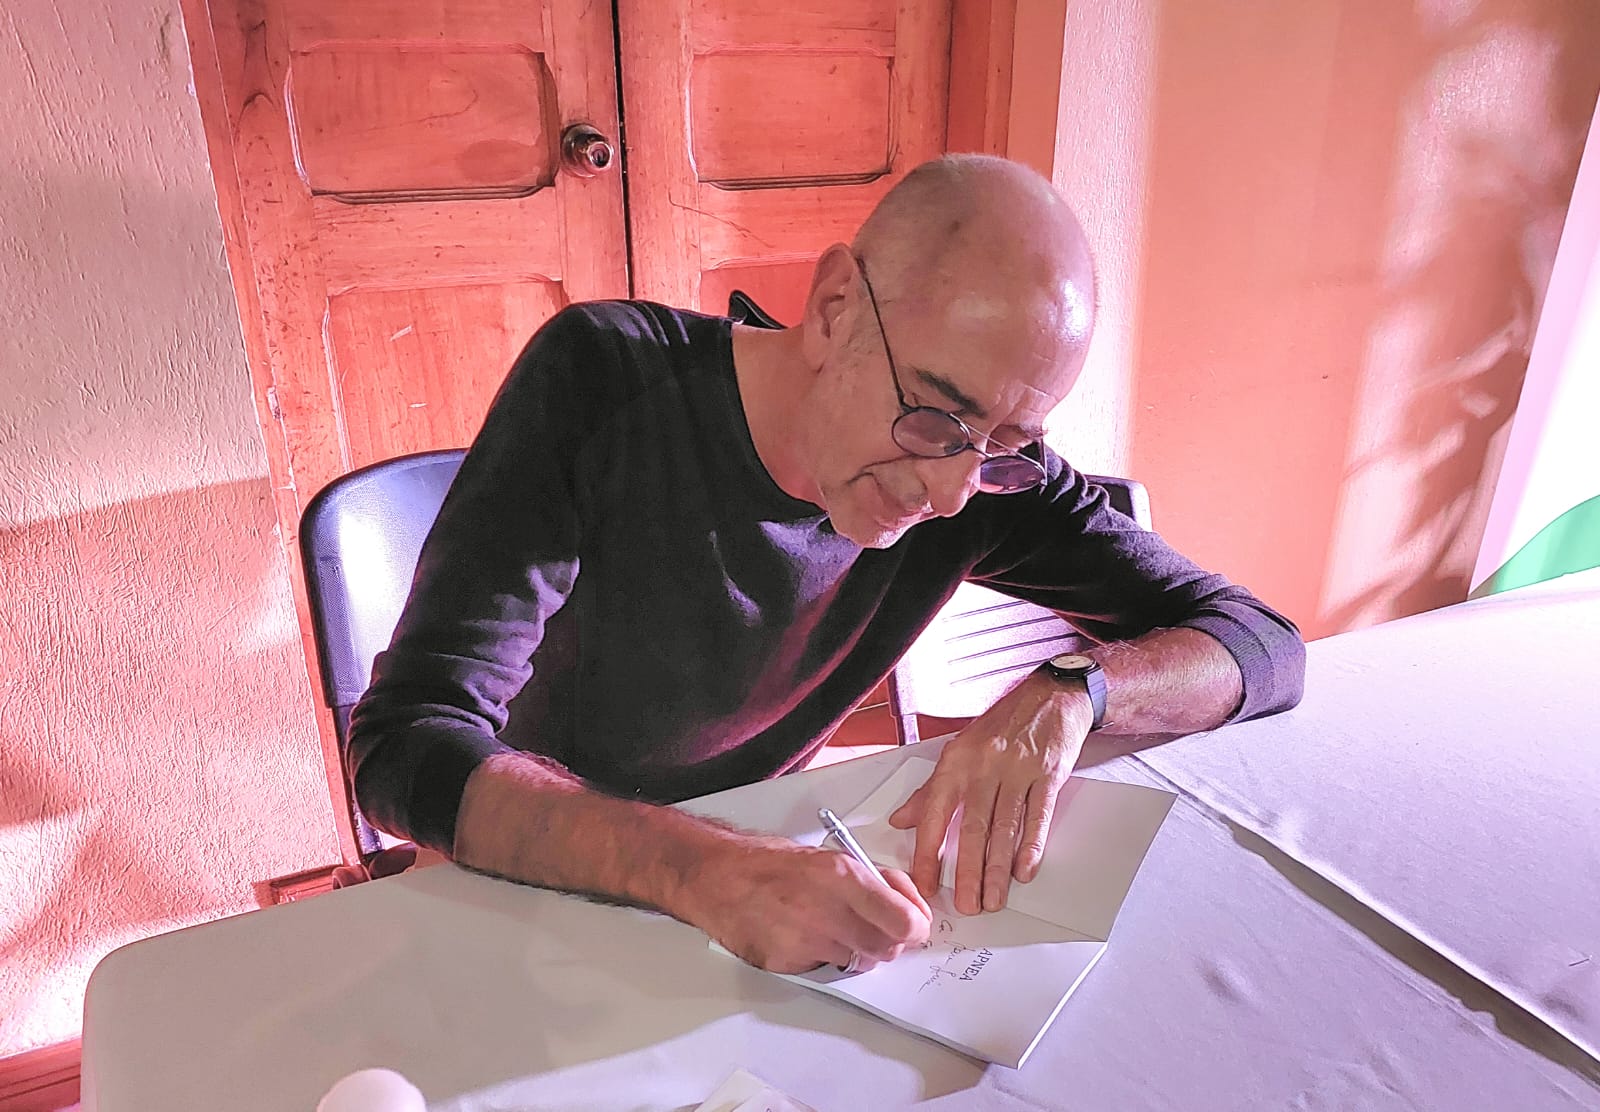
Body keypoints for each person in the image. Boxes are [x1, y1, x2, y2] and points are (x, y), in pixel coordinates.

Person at [346, 154, 1305, 976]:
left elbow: (1264, 644)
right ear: (837, 304)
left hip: (752, 892)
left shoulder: (983, 477)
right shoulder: (604, 381)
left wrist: (1073, 691)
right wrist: (703, 870)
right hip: (524, 884)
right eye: (934, 415)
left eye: (1008, 440)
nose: (949, 492)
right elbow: (405, 746)